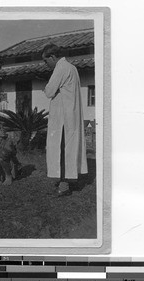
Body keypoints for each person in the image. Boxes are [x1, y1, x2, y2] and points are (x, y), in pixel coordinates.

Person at [42, 43, 88, 197]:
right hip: (71, 114)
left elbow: (49, 91)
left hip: (63, 118)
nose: (45, 64)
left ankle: (64, 185)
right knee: (67, 149)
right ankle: (67, 181)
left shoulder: (60, 68)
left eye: (46, 60)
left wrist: (49, 89)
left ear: (53, 57)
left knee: (61, 150)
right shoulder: (72, 68)